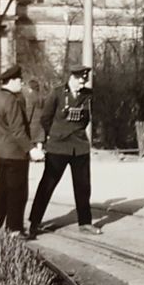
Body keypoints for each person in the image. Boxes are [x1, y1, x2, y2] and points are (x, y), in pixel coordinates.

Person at [28, 64, 102, 236]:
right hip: (58, 147)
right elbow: (45, 118)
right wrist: (54, 135)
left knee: (83, 186)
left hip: (80, 147)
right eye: (80, 81)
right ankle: (34, 222)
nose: (83, 84)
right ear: (72, 78)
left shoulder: (88, 96)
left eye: (85, 81)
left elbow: (87, 119)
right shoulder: (57, 93)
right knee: (47, 185)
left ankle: (85, 223)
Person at [0, 64, 44, 237]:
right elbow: (18, 130)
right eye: (19, 80)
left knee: (1, 189)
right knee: (17, 192)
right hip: (15, 153)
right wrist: (31, 150)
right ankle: (15, 228)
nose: (21, 83)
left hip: (2, 151)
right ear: (11, 81)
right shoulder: (11, 100)